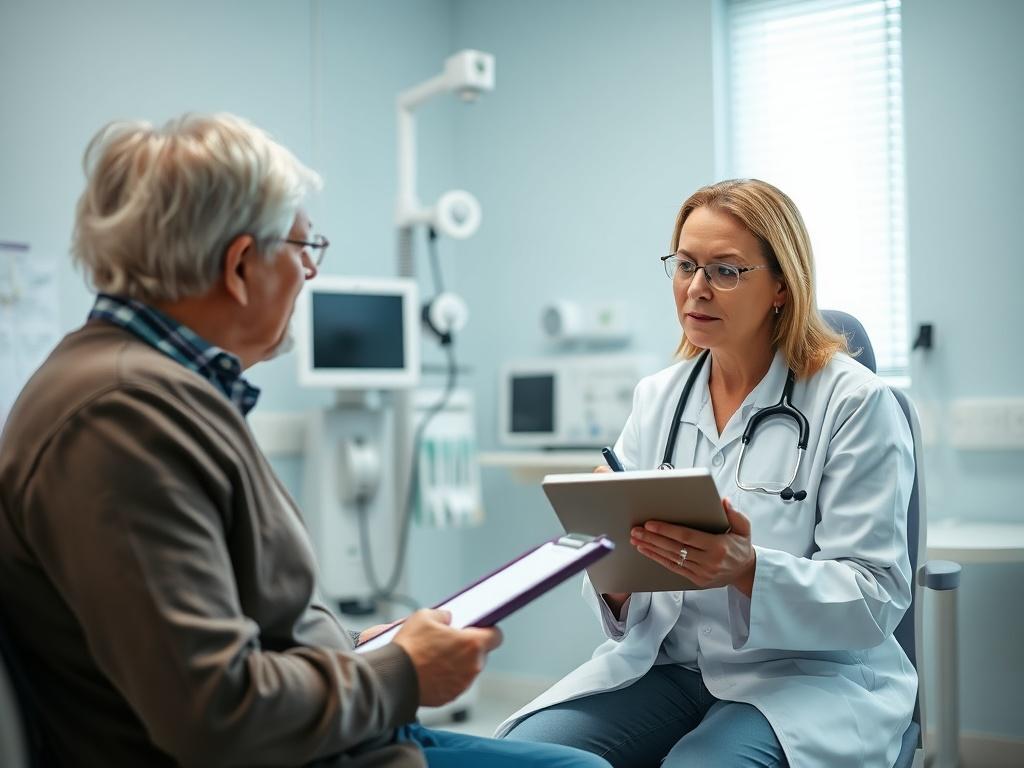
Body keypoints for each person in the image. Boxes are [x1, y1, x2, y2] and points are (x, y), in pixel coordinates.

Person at [0, 113, 608, 768]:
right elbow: (215, 712)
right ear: (239, 266)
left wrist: (357, 653)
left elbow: (237, 630)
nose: (309, 275)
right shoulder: (122, 420)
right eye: (303, 249)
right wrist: (400, 672)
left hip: (337, 736)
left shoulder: (155, 391)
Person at [499, 179, 917, 767]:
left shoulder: (854, 403)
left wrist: (748, 570)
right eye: (686, 265)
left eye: (725, 270)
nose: (696, 288)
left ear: (780, 285)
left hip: (800, 679)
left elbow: (877, 598)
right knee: (524, 757)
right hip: (668, 665)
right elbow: (622, 594)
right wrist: (610, 570)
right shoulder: (659, 398)